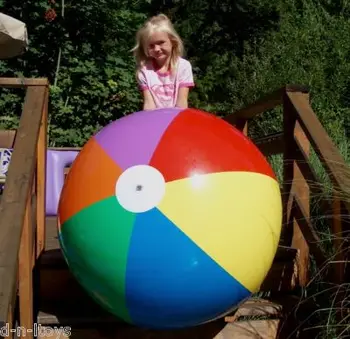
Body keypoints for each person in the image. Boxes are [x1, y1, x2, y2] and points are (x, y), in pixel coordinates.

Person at [131, 14, 195, 110]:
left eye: (161, 42)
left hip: (176, 117)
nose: (156, 49)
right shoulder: (144, 71)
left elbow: (182, 102)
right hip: (155, 119)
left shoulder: (183, 66)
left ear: (173, 41)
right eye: (151, 45)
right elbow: (149, 105)